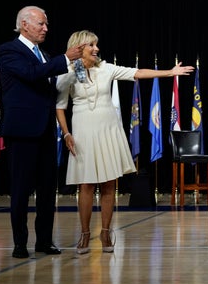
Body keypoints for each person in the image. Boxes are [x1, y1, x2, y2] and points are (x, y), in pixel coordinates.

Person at [56, 30, 194, 254]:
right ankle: (84, 233)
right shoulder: (67, 73)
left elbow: (137, 73)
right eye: (92, 45)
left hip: (108, 129)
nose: (96, 49)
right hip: (82, 131)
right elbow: (60, 107)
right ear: (79, 47)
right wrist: (66, 133)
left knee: (109, 183)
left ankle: (106, 232)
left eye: (96, 45)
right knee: (86, 184)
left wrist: (170, 72)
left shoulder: (106, 68)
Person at [0, 5, 84, 259]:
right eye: (41, 24)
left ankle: (44, 240)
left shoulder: (43, 54)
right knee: (21, 190)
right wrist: (65, 58)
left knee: (47, 190)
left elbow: (51, 83)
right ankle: (20, 243)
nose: (46, 28)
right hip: (22, 131)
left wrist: (74, 72)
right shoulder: (9, 50)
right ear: (24, 25)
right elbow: (31, 74)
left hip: (45, 130)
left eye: (46, 24)